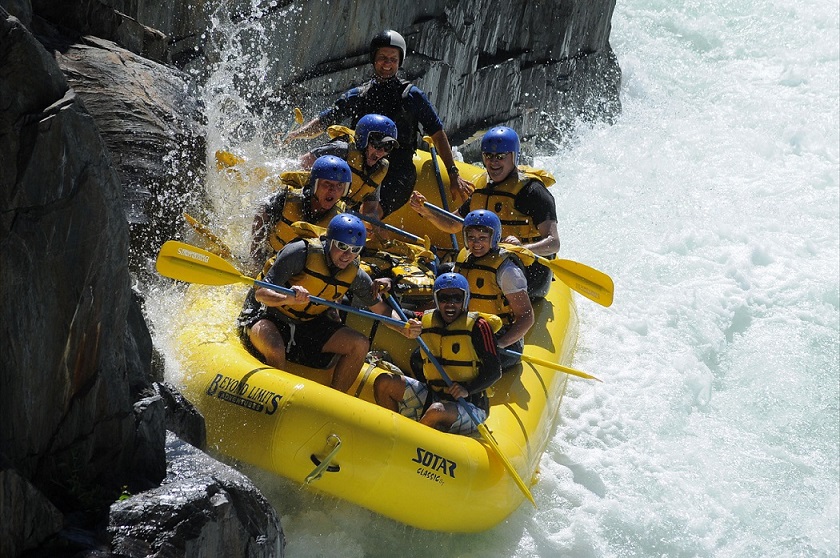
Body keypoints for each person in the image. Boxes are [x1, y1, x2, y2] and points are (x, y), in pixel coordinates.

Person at [285, 29, 473, 217]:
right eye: (383, 57)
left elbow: (437, 134)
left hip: (397, 173)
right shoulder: (359, 95)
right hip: (360, 165)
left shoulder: (413, 97)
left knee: (368, 216)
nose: (387, 64)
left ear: (399, 62)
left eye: (393, 59)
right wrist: (297, 134)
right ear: (374, 59)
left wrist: (453, 173)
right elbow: (325, 120)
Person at [238, 213, 422, 393]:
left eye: (355, 250)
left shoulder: (355, 274)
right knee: (276, 350)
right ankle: (274, 394)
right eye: (342, 246)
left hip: (307, 324)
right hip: (267, 316)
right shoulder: (300, 253)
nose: (347, 255)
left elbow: (382, 310)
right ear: (329, 241)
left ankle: (335, 399)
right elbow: (261, 294)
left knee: (359, 343)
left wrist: (403, 326)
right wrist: (288, 298)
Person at [409, 126, 559, 299]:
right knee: (441, 274)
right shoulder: (482, 188)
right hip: (490, 260)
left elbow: (554, 243)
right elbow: (453, 224)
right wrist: (425, 211)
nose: (493, 162)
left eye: (500, 157)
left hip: (529, 270)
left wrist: (522, 249)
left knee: (491, 278)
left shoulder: (533, 192)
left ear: (513, 156)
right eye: (488, 156)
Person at [373, 273, 502, 434]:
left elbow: (494, 370)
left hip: (469, 404)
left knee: (437, 411)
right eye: (444, 298)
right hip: (433, 396)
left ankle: (408, 443)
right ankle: (389, 433)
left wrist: (467, 389)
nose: (450, 304)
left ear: (466, 299)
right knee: (384, 382)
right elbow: (393, 312)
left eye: (456, 298)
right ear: (436, 299)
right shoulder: (424, 320)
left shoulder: (479, 326)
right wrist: (388, 284)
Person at [455, 210, 534, 368]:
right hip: (469, 329)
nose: (476, 244)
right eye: (471, 237)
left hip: (501, 337)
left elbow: (526, 317)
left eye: (483, 238)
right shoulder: (463, 260)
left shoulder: (507, 271)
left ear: (494, 238)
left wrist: (499, 344)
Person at [250, 154, 351, 266]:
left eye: (339, 186)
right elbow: (261, 215)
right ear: (314, 184)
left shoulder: (342, 218)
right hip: (270, 260)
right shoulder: (286, 198)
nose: (333, 190)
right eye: (327, 184)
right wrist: (257, 256)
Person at [300, 114, 398, 219]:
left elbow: (370, 209)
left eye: (387, 147)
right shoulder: (341, 149)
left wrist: (374, 225)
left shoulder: (378, 169)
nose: (381, 152)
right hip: (308, 203)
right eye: (378, 145)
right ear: (363, 138)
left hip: (333, 214)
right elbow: (304, 162)